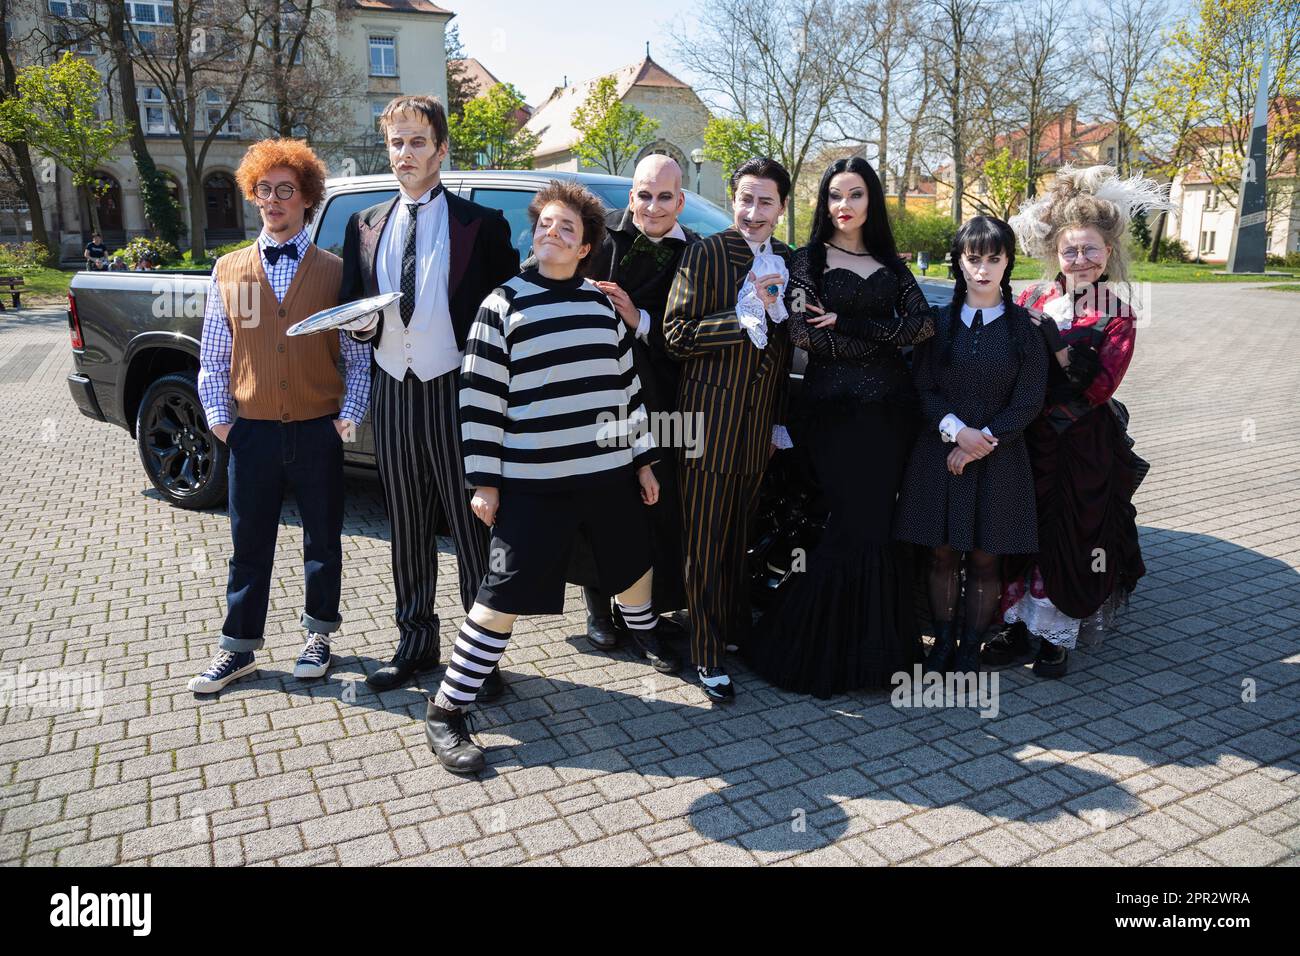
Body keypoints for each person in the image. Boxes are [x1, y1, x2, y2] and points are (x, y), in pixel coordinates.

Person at [425, 181, 661, 773]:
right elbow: (479, 399)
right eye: (546, 224)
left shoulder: (604, 303)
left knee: (634, 563)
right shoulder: (501, 304)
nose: (552, 233)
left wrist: (644, 460)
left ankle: (650, 634)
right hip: (534, 479)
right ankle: (448, 709)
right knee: (502, 595)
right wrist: (484, 481)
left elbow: (628, 389)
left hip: (607, 473)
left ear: (586, 248)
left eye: (568, 229)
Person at [337, 95, 519, 692]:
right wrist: (361, 327)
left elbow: (506, 315)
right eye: (397, 142)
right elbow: (353, 310)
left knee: (471, 528)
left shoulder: (481, 226)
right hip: (393, 387)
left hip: (455, 391)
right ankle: (414, 644)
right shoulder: (363, 225)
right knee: (407, 524)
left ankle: (479, 658)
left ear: (441, 149)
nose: (406, 153)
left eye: (418, 142)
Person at [743, 157, 937, 698]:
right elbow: (806, 335)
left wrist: (851, 323)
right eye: (834, 196)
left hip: (890, 416)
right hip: (833, 414)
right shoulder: (807, 263)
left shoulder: (893, 266)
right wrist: (881, 338)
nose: (843, 206)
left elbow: (922, 326)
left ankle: (873, 660)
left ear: (870, 200)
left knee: (875, 527)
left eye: (854, 195)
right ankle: (802, 647)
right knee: (852, 523)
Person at [188, 138, 370, 693]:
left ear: (307, 197)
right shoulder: (229, 270)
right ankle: (238, 648)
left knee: (323, 540)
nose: (272, 200)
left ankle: (319, 637)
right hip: (253, 433)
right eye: (263, 190)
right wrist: (222, 421)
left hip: (317, 430)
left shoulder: (337, 271)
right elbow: (214, 356)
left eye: (284, 191)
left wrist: (349, 415)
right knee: (249, 546)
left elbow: (357, 354)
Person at [987, 165, 1170, 677]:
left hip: (1080, 445)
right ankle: (1017, 625)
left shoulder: (1117, 314)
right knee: (1023, 531)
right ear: (1055, 254)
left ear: (1108, 253)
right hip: (1024, 441)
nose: (1081, 260)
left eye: (1091, 250)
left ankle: (1055, 636)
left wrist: (1057, 347)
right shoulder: (1029, 300)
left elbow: (1099, 386)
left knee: (1072, 536)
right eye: (1070, 250)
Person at [662, 157, 794, 702]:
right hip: (707, 424)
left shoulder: (786, 261)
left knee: (739, 538)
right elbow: (674, 334)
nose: (753, 212)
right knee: (706, 543)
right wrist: (741, 320)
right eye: (745, 199)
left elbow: (784, 348)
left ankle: (732, 632)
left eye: (766, 202)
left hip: (757, 426)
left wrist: (778, 421)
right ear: (732, 199)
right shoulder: (707, 251)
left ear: (782, 208)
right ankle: (706, 652)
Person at [893, 216, 1047, 675]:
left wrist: (982, 442)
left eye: (993, 259)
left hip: (1000, 459)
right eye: (973, 258)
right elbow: (923, 387)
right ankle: (941, 642)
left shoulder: (1025, 327)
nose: (983, 269)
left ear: (1007, 262)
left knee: (985, 558)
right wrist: (957, 432)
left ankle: (971, 647)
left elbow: (1030, 397)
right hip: (941, 455)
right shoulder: (938, 323)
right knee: (942, 552)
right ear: (959, 261)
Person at [564, 154, 696, 670]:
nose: (653, 206)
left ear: (680, 200)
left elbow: (700, 328)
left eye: (665, 196)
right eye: (644, 194)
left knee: (657, 500)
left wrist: (640, 320)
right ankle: (598, 608)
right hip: (600, 397)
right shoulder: (600, 238)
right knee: (600, 498)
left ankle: (648, 608)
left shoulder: (698, 253)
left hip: (666, 394)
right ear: (632, 195)